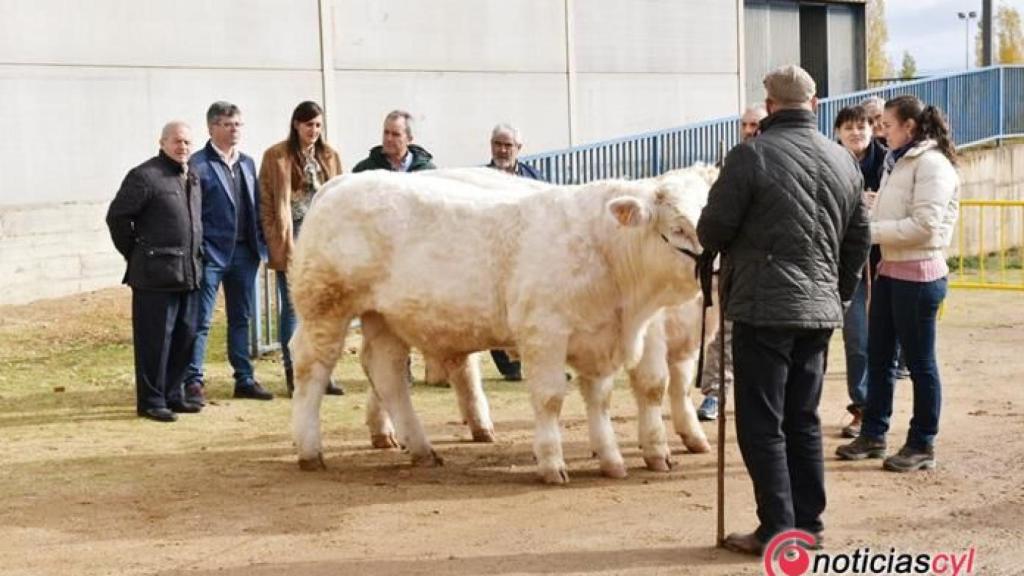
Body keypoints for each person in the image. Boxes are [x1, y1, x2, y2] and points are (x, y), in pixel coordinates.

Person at [697, 65, 870, 555]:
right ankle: (809, 525)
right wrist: (838, 291)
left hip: (763, 308)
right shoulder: (843, 160)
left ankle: (778, 528)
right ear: (814, 105)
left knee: (762, 421)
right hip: (818, 310)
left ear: (770, 106)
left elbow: (712, 231)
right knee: (803, 419)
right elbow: (859, 238)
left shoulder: (750, 156)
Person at [836, 95, 960, 473]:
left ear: (909, 126)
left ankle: (922, 442)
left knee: (921, 363)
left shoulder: (933, 164)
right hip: (890, 272)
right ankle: (874, 433)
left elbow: (926, 226)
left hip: (920, 277)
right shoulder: (899, 161)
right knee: (879, 356)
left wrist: (869, 231)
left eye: (886, 125)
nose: (879, 131)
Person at [106, 122, 204, 422]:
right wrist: (137, 254)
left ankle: (174, 395)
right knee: (155, 341)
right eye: (176, 141)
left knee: (184, 336)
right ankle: (151, 401)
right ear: (161, 142)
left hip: (189, 273)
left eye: (187, 142)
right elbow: (117, 218)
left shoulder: (193, 176)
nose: (182, 147)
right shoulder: (145, 176)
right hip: (154, 277)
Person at [185, 101, 273, 403]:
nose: (234, 129)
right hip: (211, 255)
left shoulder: (247, 162)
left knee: (241, 319)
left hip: (244, 254)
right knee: (202, 320)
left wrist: (259, 246)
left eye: (237, 123)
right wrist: (201, 251)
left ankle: (244, 379)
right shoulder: (197, 164)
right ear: (212, 128)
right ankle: (193, 380)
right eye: (227, 124)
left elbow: (257, 206)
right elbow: (192, 212)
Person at [259, 101, 346, 397]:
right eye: (309, 124)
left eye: (318, 125)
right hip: (293, 235)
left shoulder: (330, 156)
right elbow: (267, 202)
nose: (314, 130)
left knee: (324, 308)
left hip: (324, 236)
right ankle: (294, 372)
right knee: (294, 308)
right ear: (297, 124)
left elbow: (340, 195)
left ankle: (323, 373)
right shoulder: (276, 156)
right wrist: (276, 238)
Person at [697, 104, 768, 421]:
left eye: (757, 123)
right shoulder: (728, 165)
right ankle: (714, 394)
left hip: (770, 266)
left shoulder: (775, 161)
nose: (751, 129)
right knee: (724, 334)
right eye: (746, 124)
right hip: (734, 265)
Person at [834, 105, 888, 439]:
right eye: (849, 127)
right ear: (838, 131)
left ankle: (865, 407)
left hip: (873, 261)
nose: (856, 133)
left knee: (863, 338)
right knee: (826, 339)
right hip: (829, 261)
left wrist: (877, 204)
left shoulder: (888, 162)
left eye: (862, 126)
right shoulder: (825, 158)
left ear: (872, 129)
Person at [486, 123, 541, 381]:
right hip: (491, 255)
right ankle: (509, 366)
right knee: (495, 310)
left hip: (527, 255)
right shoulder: (480, 179)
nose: (503, 150)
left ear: (519, 148)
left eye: (508, 145)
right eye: (498, 143)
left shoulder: (534, 179)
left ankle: (539, 365)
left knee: (533, 312)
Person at [352, 110, 436, 173]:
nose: (389, 138)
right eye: (386, 132)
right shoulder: (365, 170)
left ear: (409, 139)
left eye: (396, 134)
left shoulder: (427, 172)